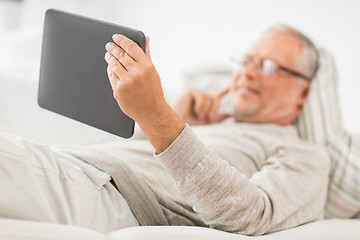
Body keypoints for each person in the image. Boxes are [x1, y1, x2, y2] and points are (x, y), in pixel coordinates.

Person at [0, 25, 330, 236]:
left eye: (270, 66)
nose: (248, 74)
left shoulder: (305, 153)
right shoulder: (206, 124)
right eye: (246, 61)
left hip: (113, 194)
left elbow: (254, 215)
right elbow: (148, 159)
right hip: (78, 165)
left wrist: (159, 116)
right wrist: (178, 120)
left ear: (303, 93)